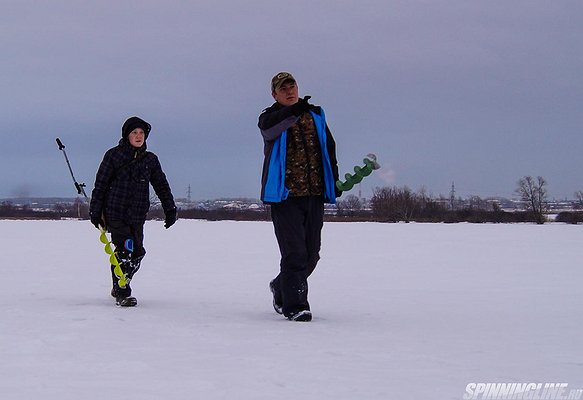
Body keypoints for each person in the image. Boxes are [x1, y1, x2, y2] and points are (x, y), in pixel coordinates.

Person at [258, 72, 341, 322]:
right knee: (294, 253)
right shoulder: (269, 118)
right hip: (285, 196)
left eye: (292, 86)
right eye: (283, 89)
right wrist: (295, 109)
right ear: (275, 95)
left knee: (311, 253)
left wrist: (333, 180)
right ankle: (296, 306)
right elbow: (273, 128)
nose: (289, 91)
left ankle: (280, 286)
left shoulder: (315, 115)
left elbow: (328, 147)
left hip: (314, 194)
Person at [89, 116, 177, 307]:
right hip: (115, 212)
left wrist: (169, 208)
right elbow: (101, 184)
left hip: (137, 214)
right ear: (126, 135)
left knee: (137, 252)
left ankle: (119, 283)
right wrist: (95, 211)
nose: (138, 136)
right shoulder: (113, 156)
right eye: (134, 133)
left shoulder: (150, 160)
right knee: (124, 251)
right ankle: (123, 292)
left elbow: (161, 184)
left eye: (141, 133)